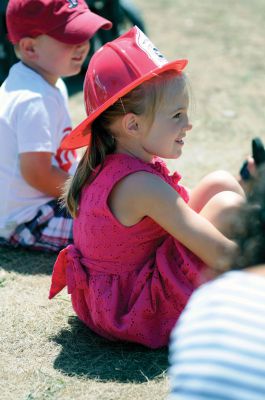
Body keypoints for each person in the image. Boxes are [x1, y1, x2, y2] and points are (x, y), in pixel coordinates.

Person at [49, 26, 245, 348]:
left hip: (121, 294)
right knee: (227, 208)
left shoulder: (113, 161)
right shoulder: (139, 185)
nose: (188, 124)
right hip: (137, 311)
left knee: (219, 183)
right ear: (133, 124)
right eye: (177, 115)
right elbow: (219, 251)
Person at [0, 0, 112, 252]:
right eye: (70, 38)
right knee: (117, 230)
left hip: (48, 201)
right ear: (30, 48)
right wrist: (91, 194)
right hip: (27, 219)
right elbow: (37, 173)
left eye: (84, 35)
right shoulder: (33, 100)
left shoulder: (46, 84)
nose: (83, 45)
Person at [167, 165, 265, 399]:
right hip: (152, 297)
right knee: (226, 199)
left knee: (223, 188)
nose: (187, 125)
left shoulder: (209, 297)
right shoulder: (140, 181)